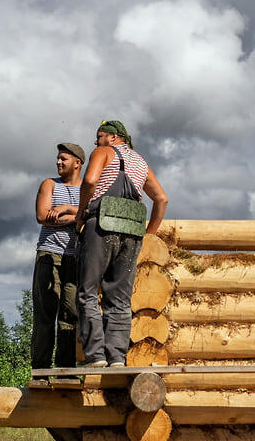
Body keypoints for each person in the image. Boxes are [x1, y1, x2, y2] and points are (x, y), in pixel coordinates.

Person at [74, 120, 168, 368]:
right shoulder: (141, 162)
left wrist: (81, 213)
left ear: (114, 137)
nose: (96, 141)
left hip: (102, 224)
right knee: (120, 298)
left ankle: (95, 356)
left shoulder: (103, 152)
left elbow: (90, 181)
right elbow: (161, 199)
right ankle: (116, 357)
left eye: (99, 136)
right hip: (132, 231)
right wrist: (149, 234)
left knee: (88, 291)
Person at [31, 142, 86, 373]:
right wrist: (77, 216)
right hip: (48, 253)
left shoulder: (88, 188)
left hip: (76, 257)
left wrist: (66, 210)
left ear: (77, 163)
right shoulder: (50, 184)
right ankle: (41, 370)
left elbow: (92, 214)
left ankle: (66, 371)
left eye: (64, 158)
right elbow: (42, 216)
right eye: (58, 158)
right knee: (45, 313)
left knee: (70, 314)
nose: (58, 162)